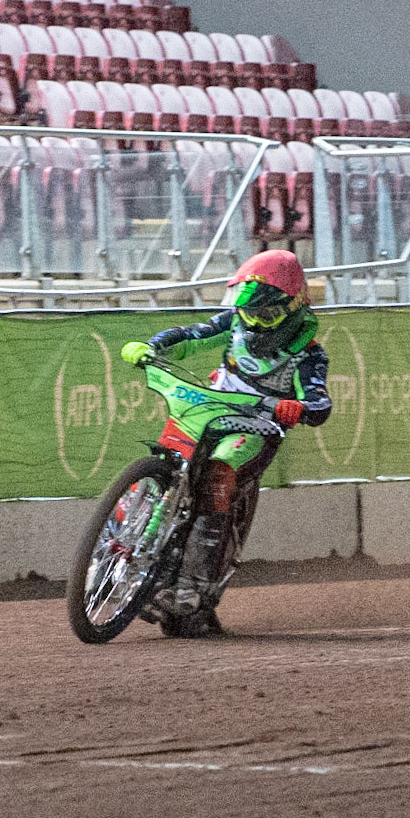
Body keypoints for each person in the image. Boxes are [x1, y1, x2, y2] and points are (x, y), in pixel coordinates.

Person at [119, 249, 332, 638]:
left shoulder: (309, 354)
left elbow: (319, 402)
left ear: (292, 307)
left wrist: (295, 407)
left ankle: (191, 588)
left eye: (265, 314)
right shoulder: (234, 323)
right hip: (206, 411)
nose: (253, 321)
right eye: (248, 311)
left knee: (219, 473)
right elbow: (191, 336)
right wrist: (152, 347)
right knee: (164, 457)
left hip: (252, 429)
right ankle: (122, 534)